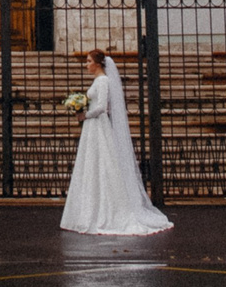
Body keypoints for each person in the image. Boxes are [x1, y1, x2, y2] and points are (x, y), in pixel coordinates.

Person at [59, 50, 171, 236]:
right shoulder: (98, 80)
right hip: (92, 126)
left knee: (103, 163)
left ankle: (103, 212)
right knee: (93, 164)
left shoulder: (103, 81)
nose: (86, 64)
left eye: (88, 61)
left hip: (97, 124)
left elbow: (102, 107)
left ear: (98, 63)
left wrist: (85, 114)